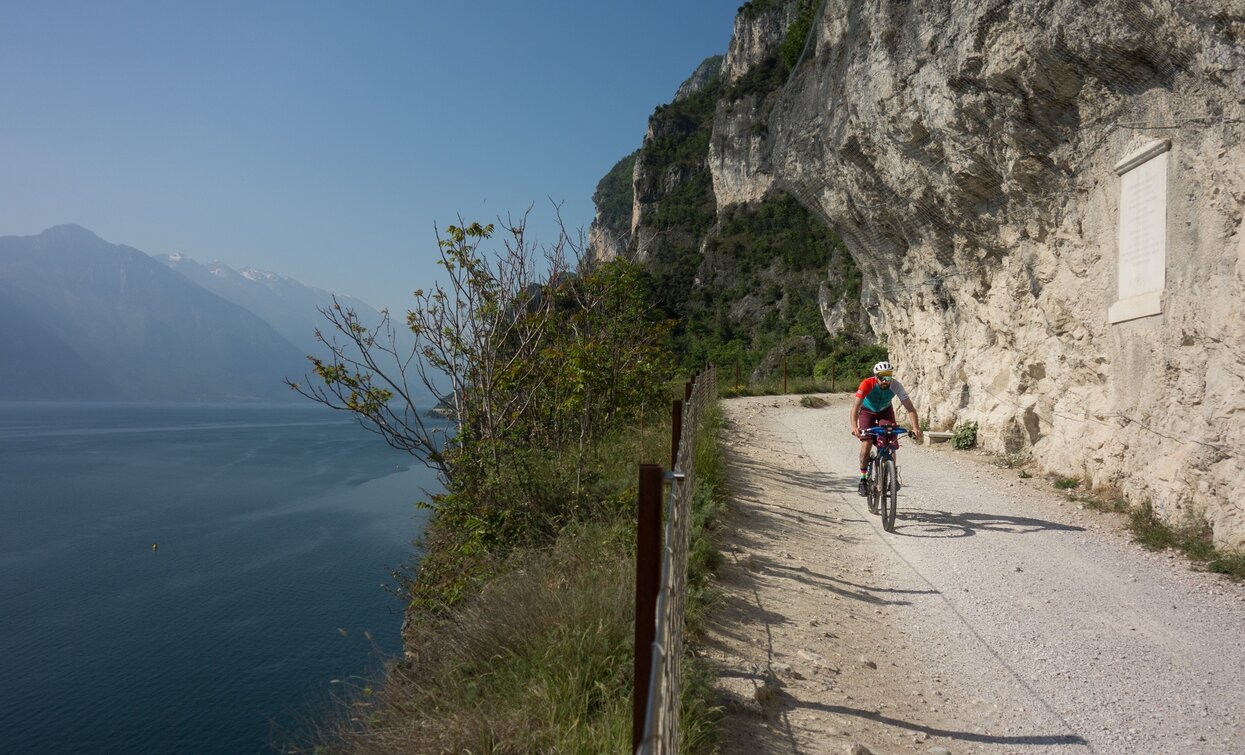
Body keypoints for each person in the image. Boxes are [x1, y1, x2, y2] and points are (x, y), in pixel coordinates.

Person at [850, 360, 922, 496]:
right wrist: (854, 427)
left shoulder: (896, 386)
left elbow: (910, 408)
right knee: (867, 442)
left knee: (891, 442)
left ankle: (892, 476)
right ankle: (863, 480)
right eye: (882, 377)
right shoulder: (867, 384)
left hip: (885, 410)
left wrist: (915, 427)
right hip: (867, 411)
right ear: (876, 376)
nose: (885, 381)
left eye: (888, 377)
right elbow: (856, 407)